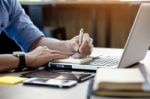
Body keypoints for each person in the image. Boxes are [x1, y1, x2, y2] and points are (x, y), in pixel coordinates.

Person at [0, 0, 93, 73]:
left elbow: (34, 41)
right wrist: (24, 59)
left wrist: (68, 45)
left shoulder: (8, 2)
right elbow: (30, 56)